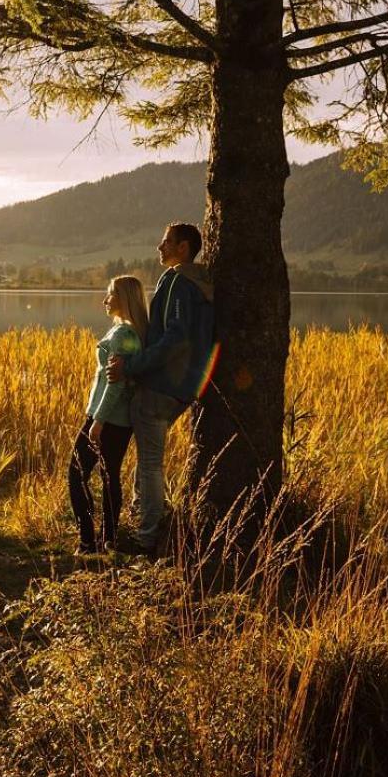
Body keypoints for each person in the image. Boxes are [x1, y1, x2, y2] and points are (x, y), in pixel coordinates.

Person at [108, 222, 214, 556]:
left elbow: (175, 337)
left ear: (183, 248)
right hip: (183, 388)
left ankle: (146, 537)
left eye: (166, 241)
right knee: (148, 461)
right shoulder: (200, 284)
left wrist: (133, 366)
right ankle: (146, 522)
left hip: (161, 386)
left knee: (150, 463)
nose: (159, 246)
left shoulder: (180, 282)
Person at [67, 275, 148, 555]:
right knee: (109, 475)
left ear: (124, 298)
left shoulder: (125, 335)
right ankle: (107, 541)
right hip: (117, 421)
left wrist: (97, 421)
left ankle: (89, 543)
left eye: (110, 294)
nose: (105, 299)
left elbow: (115, 383)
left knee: (76, 475)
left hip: (108, 419)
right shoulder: (128, 331)